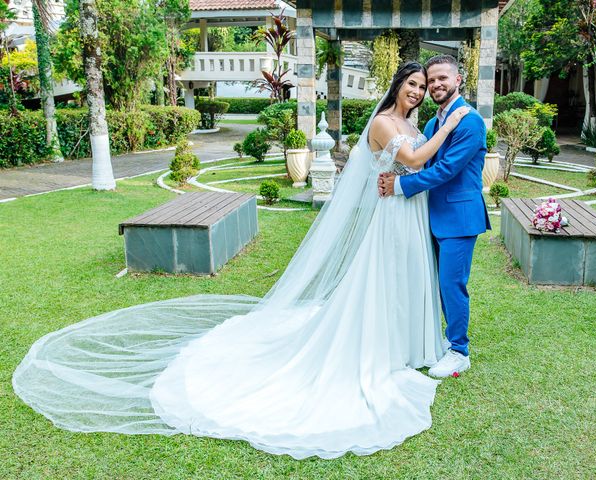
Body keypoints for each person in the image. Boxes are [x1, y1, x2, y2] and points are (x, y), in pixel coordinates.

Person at [13, 62, 467, 460]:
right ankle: (378, 347)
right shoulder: (386, 123)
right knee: (383, 278)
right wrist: (450, 125)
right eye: (412, 84)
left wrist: (436, 135)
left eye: (423, 86)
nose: (418, 91)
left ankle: (410, 345)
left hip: (410, 210)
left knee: (410, 277)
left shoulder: (418, 121)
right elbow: (413, 158)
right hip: (392, 216)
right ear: (395, 87)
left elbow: (423, 165)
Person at [378, 55, 492, 378]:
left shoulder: (469, 121)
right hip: (429, 215)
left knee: (452, 284)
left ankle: (459, 351)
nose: (436, 84)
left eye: (443, 78)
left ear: (458, 80)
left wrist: (400, 185)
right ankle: (439, 339)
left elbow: (445, 170)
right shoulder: (430, 124)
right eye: (432, 80)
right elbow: (418, 160)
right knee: (435, 284)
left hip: (459, 217)